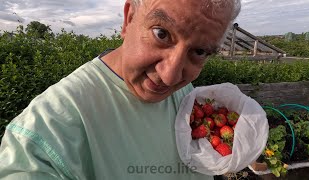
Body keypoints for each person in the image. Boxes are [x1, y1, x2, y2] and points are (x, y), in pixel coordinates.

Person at [0, 0, 241, 179]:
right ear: (129, 18)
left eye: (199, 52)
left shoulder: (186, 93)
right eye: (161, 33)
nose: (170, 76)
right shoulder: (46, 131)